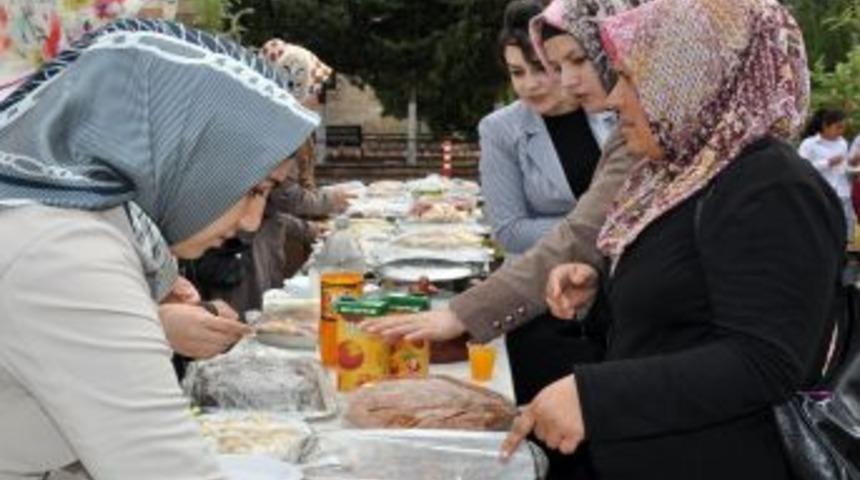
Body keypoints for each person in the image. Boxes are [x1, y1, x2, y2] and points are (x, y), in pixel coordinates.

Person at [499, 1, 844, 479]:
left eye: (630, 77)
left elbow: (765, 360)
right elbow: (681, 314)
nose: (615, 98)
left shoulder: (771, 187)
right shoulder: (678, 175)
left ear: (694, 78)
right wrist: (599, 291)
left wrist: (593, 396)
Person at [0, 18, 318, 479]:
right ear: (187, 153)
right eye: (253, 189)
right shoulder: (67, 250)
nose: (251, 221)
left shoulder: (80, 220)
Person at [362, 0, 641, 477]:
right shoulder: (505, 128)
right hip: (547, 302)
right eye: (520, 72)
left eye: (560, 65)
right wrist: (598, 228)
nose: (540, 82)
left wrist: (598, 230)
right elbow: (513, 228)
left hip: (612, 312)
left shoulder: (627, 116)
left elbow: (595, 224)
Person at [799, 108, 857, 239]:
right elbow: (801, 167)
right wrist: (827, 163)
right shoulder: (809, 144)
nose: (841, 132)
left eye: (843, 128)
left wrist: (853, 170)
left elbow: (843, 168)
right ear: (825, 126)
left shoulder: (842, 143)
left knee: (844, 227)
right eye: (838, 127)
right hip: (819, 192)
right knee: (821, 228)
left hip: (841, 192)